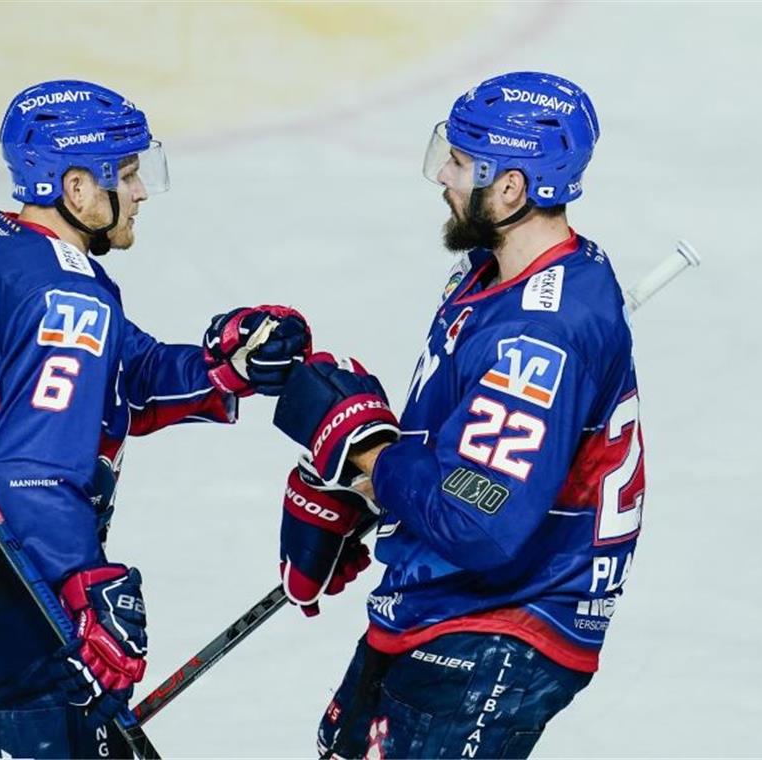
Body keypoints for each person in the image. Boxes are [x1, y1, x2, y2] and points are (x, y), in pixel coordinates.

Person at [0, 79, 311, 759]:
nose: (142, 192)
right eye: (126, 174)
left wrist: (224, 369)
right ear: (75, 188)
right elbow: (31, 472)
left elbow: (114, 372)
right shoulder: (68, 295)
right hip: (5, 604)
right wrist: (84, 584)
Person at [271, 71, 645, 759]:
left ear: (511, 187)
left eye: (464, 161)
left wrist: (370, 457)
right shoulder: (499, 275)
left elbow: (482, 514)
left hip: (502, 622)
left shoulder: (540, 332)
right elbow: (464, 452)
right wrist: (365, 488)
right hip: (441, 602)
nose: (443, 172)